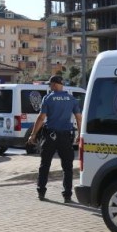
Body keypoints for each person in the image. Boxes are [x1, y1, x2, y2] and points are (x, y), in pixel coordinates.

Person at [27, 75, 82, 203]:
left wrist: (33, 134)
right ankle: (67, 196)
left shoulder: (48, 98)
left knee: (45, 165)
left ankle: (41, 192)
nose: (50, 87)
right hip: (65, 136)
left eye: (50, 85)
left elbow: (41, 118)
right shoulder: (71, 99)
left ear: (54, 84)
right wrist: (80, 134)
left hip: (51, 136)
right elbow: (79, 118)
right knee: (67, 167)